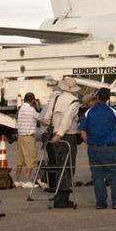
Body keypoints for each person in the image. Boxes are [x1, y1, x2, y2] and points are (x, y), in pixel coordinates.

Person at [79, 87, 116, 209]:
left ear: (97, 97)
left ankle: (101, 202)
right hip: (110, 147)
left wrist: (89, 142)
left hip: (94, 147)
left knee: (97, 175)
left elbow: (82, 130)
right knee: (115, 175)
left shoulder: (89, 112)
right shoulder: (112, 111)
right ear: (108, 98)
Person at [41, 78, 82, 208]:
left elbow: (47, 118)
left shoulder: (55, 99)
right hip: (67, 136)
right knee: (68, 166)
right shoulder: (74, 102)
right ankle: (63, 198)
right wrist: (60, 134)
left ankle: (58, 194)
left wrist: (55, 132)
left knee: (59, 165)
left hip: (54, 135)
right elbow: (68, 119)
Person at [13, 93, 41, 187]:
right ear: (33, 100)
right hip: (29, 137)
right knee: (31, 158)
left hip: (20, 136)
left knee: (20, 159)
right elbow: (41, 118)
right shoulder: (31, 109)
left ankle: (17, 180)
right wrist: (37, 106)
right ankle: (27, 181)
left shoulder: (21, 109)